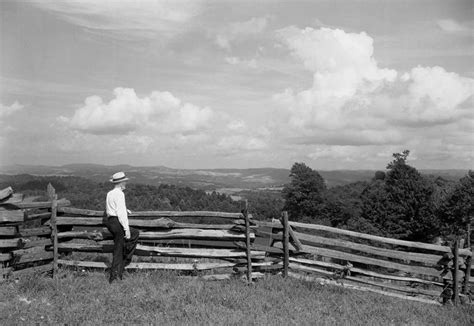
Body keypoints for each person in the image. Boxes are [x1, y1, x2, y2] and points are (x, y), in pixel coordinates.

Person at [104, 171, 139, 283]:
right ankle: (115, 276)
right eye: (124, 182)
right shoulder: (120, 194)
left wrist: (125, 209)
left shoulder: (110, 193)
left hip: (110, 221)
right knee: (119, 248)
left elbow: (113, 208)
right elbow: (121, 214)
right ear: (121, 183)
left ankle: (121, 266)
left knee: (133, 235)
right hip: (117, 222)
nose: (126, 184)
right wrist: (126, 229)